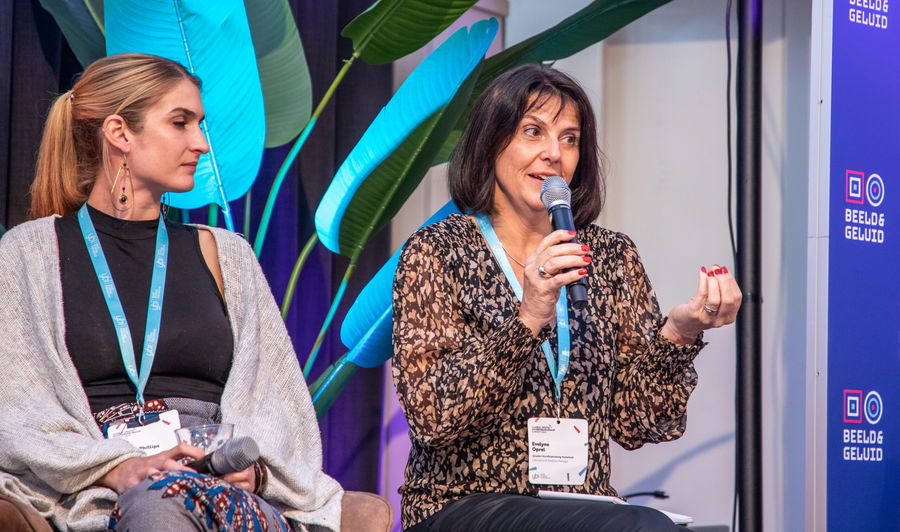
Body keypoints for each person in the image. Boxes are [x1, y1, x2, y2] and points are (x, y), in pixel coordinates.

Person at [0, 53, 342, 531]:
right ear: (120, 133)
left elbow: (280, 407)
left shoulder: (226, 256)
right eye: (180, 123)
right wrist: (115, 466)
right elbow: (16, 408)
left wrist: (254, 470)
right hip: (99, 485)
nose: (201, 143)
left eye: (199, 124)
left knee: (170, 501)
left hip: (218, 488)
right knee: (156, 505)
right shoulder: (28, 254)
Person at [391, 64, 742, 531]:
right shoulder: (437, 251)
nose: (553, 153)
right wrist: (529, 316)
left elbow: (640, 424)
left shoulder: (611, 256)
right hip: (463, 506)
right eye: (533, 132)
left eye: (570, 138)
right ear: (491, 142)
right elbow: (436, 418)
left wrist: (678, 335)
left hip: (584, 508)